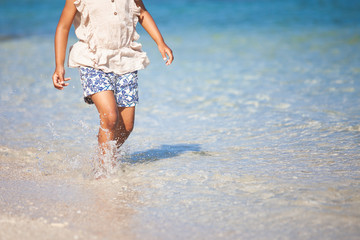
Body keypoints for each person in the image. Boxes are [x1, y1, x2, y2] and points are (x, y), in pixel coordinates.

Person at [52, 0, 173, 172]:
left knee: (126, 127)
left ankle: (104, 156)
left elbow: (142, 14)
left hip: (125, 60)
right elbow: (63, 27)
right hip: (92, 59)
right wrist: (59, 65)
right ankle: (103, 171)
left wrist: (160, 43)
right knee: (110, 117)